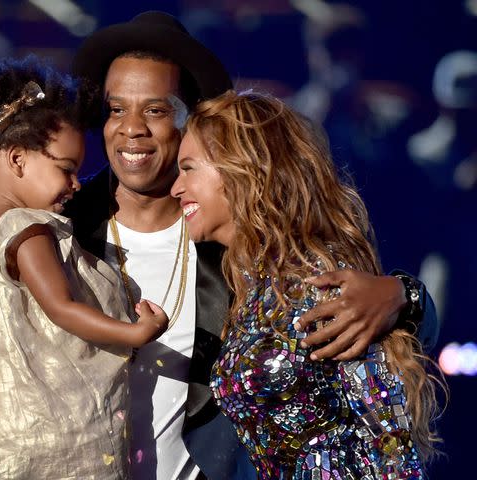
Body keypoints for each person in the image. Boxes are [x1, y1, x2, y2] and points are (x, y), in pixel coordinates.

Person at [69, 10, 439, 480]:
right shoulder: (65, 232)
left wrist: (404, 294)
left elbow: (386, 377)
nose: (131, 128)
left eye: (156, 109)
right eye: (116, 108)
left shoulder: (236, 245)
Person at [0, 56, 168, 480]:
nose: (76, 184)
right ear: (17, 160)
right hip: (43, 414)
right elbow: (61, 308)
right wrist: (132, 333)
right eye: (66, 169)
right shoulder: (26, 230)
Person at [171, 89, 443, 478]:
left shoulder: (321, 276)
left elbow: (388, 436)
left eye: (189, 168)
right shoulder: (255, 281)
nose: (175, 187)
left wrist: (405, 294)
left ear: (240, 169)